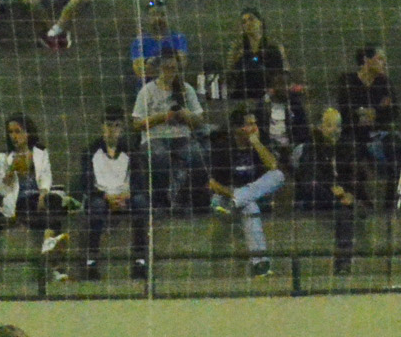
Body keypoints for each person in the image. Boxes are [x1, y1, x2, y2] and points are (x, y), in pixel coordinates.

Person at [205, 106, 289, 279]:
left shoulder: (259, 143)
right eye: (249, 124)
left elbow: (273, 167)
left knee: (278, 176)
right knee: (250, 206)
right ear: (238, 129)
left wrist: (256, 143)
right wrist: (232, 195)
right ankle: (260, 265)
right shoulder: (223, 147)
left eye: (255, 123)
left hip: (243, 198)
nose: (254, 128)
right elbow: (212, 183)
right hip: (222, 200)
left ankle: (260, 266)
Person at [0, 113, 72, 271]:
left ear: (28, 133)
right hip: (20, 200)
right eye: (11, 132)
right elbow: (2, 189)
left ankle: (48, 242)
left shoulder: (40, 152)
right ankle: (52, 253)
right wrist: (11, 170)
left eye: (18, 131)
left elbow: (46, 178)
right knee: (52, 218)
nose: (14, 136)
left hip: (39, 198)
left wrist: (43, 193)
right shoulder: (4, 156)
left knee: (55, 200)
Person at [132, 52, 209, 212]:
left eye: (174, 68)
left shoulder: (186, 89)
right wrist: (161, 117)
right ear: (159, 68)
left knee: (197, 155)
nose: (170, 71)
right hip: (155, 136)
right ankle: (160, 201)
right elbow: (137, 123)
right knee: (159, 156)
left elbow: (199, 121)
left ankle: (187, 199)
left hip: (181, 137)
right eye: (167, 68)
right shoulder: (147, 91)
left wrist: (187, 116)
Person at [301, 104, 373, 276]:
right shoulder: (310, 147)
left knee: (344, 212)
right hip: (320, 197)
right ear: (320, 127)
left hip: (341, 199)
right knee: (312, 185)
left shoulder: (347, 146)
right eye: (330, 125)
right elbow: (308, 175)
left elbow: (354, 175)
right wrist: (334, 190)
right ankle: (348, 204)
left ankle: (343, 264)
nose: (336, 130)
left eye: (339, 126)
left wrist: (348, 193)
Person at [78, 108, 147, 282]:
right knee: (96, 206)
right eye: (108, 125)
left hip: (125, 196)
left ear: (122, 128)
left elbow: (139, 181)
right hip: (101, 197)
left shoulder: (131, 150)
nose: (112, 130)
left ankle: (140, 261)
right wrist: (105, 196)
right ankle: (91, 262)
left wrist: (127, 194)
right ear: (102, 127)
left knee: (141, 202)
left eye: (116, 126)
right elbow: (86, 184)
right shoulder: (90, 151)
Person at [337, 44, 401, 176]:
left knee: (398, 146)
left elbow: (393, 112)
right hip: (353, 136)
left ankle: (393, 193)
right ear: (366, 60)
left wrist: (368, 112)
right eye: (379, 59)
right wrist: (377, 110)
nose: (384, 63)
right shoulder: (348, 81)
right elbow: (347, 112)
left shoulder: (384, 82)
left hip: (378, 134)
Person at [225, 9, 289, 105]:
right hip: (243, 94)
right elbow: (230, 73)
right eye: (244, 22)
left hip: (268, 95)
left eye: (251, 19)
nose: (248, 23)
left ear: (261, 22)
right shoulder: (237, 48)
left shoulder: (273, 46)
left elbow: (283, 71)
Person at [128, 2, 190, 85]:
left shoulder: (178, 38)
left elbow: (181, 66)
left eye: (163, 15)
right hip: (146, 93)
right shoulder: (139, 42)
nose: (158, 18)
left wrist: (150, 64)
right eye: (153, 15)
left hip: (173, 90)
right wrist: (167, 66)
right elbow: (139, 71)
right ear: (147, 18)